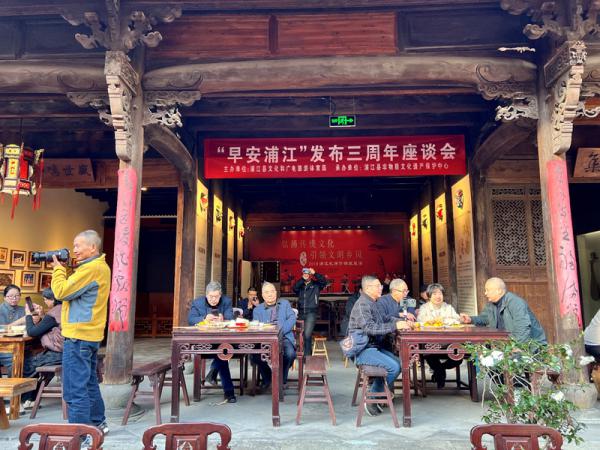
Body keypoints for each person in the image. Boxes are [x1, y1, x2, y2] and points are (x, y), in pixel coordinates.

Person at [51, 229, 110, 436]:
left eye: (78, 245)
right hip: (89, 335)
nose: (74, 250)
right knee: (89, 383)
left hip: (78, 337)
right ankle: (98, 425)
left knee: (74, 389)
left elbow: (61, 292)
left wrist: (58, 271)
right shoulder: (99, 267)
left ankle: (81, 436)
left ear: (92, 247)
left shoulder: (91, 268)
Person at [348, 275, 410, 417]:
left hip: (373, 346)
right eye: (378, 286)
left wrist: (401, 321)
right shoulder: (362, 304)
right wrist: (395, 326)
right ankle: (372, 396)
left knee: (401, 363)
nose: (381, 288)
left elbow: (384, 318)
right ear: (368, 288)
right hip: (362, 348)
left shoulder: (373, 302)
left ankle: (376, 390)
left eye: (380, 286)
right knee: (393, 367)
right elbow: (370, 328)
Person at [188, 280, 237, 403]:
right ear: (206, 294)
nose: (214, 299)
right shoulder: (197, 302)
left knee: (222, 351)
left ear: (220, 295)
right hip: (204, 341)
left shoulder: (226, 301)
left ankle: (225, 387)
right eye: (211, 296)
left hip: (223, 339)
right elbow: (191, 319)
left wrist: (223, 319)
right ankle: (228, 392)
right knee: (222, 353)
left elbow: (231, 318)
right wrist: (204, 318)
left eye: (216, 296)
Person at [460, 277, 547, 344]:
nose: (485, 293)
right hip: (508, 345)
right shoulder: (491, 304)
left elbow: (523, 328)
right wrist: (471, 319)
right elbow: (485, 318)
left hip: (530, 346)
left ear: (498, 291)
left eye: (487, 290)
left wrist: (517, 348)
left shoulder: (515, 302)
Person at [21, 287, 64, 408]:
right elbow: (53, 325)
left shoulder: (54, 313)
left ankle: (23, 399)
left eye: (45, 299)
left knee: (26, 363)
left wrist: (28, 315)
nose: (44, 302)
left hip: (58, 354)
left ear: (53, 299)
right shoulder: (63, 308)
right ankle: (31, 398)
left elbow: (32, 332)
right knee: (33, 360)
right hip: (66, 351)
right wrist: (42, 315)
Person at [251, 282, 297, 388]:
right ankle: (268, 378)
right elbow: (256, 325)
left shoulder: (285, 304)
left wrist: (280, 331)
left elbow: (292, 318)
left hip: (284, 337)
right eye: (267, 292)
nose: (270, 294)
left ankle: (281, 380)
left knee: (290, 354)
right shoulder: (257, 310)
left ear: (276, 293)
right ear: (263, 295)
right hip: (265, 339)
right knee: (255, 355)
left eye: (272, 291)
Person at [417, 283, 462, 388]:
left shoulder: (448, 307)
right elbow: (420, 321)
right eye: (434, 294)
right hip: (431, 343)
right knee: (429, 354)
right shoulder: (424, 308)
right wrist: (431, 321)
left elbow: (457, 320)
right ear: (429, 296)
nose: (438, 296)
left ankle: (440, 369)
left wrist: (445, 320)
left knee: (458, 356)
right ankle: (440, 373)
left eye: (440, 293)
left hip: (448, 343)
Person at [293, 267, 326, 356]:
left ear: (311, 275)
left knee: (307, 334)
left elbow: (324, 282)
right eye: (304, 274)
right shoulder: (300, 285)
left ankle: (307, 357)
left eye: (308, 274)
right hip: (301, 312)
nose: (306, 275)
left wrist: (315, 273)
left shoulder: (316, 285)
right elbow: (294, 288)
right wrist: (302, 279)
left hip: (311, 313)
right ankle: (304, 354)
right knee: (302, 335)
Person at [0, 284, 26, 376]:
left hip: (20, 345)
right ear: (4, 297)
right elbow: (1, 330)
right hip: (3, 347)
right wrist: (20, 321)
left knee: (30, 358)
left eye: (17, 296)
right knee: (15, 359)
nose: (14, 298)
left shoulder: (23, 310)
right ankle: (14, 383)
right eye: (10, 296)